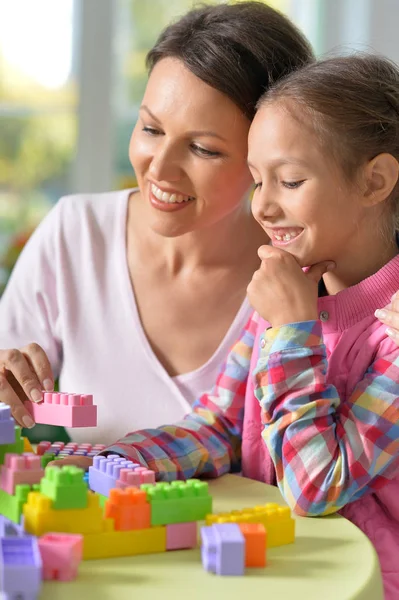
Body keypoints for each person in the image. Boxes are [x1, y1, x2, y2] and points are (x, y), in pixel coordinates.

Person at [64, 55, 399, 597]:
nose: (262, 206)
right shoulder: (285, 293)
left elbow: (316, 485)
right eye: (256, 180)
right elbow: (220, 428)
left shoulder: (390, 332)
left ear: (375, 180)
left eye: (289, 181)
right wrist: (119, 460)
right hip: (270, 574)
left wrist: (294, 332)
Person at [0, 2, 313, 445]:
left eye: (203, 148)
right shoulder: (76, 233)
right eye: (150, 129)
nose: (160, 169)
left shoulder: (306, 275)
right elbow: (12, 394)